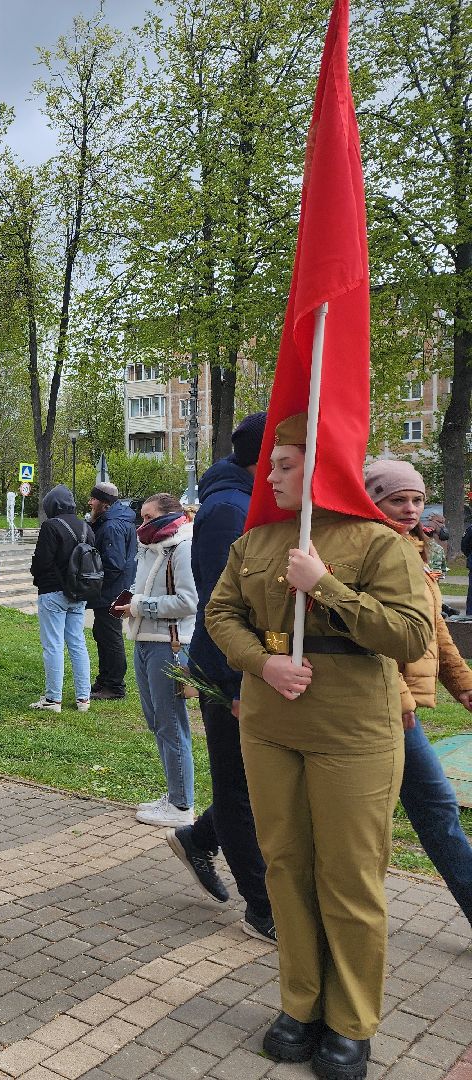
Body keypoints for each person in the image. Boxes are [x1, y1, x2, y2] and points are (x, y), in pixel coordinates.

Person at [206, 413, 432, 1079]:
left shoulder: (377, 543)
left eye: (284, 463)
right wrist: (264, 664)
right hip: (273, 726)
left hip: (352, 734)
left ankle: (351, 1022)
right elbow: (222, 613)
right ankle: (300, 1005)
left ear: (322, 466)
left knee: (350, 878)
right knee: (286, 868)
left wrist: (324, 585)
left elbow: (411, 636)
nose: (268, 474)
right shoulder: (255, 542)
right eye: (270, 463)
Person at [171, 411, 274, 943]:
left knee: (254, 785)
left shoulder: (247, 501)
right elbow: (220, 604)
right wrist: (235, 685)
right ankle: (262, 907)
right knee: (239, 788)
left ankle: (199, 839)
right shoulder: (229, 510)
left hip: (253, 669)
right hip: (230, 673)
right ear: (265, 455)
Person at [365, 459, 472, 930]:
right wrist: (403, 699)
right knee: (429, 808)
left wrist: (465, 687)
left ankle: (206, 834)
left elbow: (435, 634)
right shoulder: (373, 549)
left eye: (417, 499)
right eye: (396, 499)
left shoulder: (413, 549)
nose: (411, 508)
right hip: (380, 708)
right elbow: (366, 634)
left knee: (435, 808)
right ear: (372, 500)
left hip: (397, 710)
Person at [116, 492, 197, 828]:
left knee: (171, 723)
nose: (143, 524)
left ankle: (181, 805)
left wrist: (140, 606)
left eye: (150, 518)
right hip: (144, 640)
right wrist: (131, 606)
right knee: (157, 721)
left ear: (169, 515)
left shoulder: (182, 547)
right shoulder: (151, 547)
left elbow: (189, 601)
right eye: (142, 518)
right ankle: (174, 794)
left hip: (171, 644)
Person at [28, 484, 93, 713]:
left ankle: (53, 699)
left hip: (53, 592)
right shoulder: (86, 527)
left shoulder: (51, 527)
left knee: (53, 645)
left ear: (52, 506)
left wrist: (35, 572)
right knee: (77, 644)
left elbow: (42, 561)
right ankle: (83, 698)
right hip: (79, 592)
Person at [88, 482, 136, 701]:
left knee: (110, 636)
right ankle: (105, 679)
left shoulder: (112, 526)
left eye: (94, 499)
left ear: (105, 504)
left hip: (111, 591)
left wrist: (92, 581)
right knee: (103, 633)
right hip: (116, 589)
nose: (90, 502)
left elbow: (113, 564)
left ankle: (114, 686)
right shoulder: (114, 521)